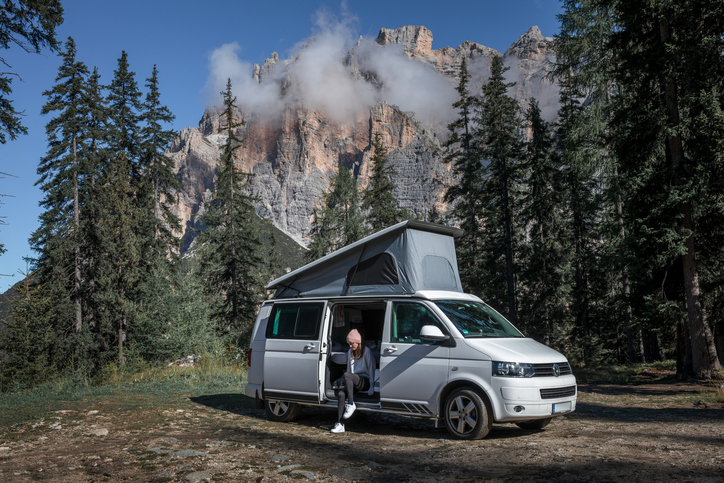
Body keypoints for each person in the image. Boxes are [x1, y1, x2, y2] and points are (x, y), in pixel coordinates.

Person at [330, 328, 375, 434]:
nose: (350, 346)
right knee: (341, 394)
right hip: (353, 380)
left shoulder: (367, 351)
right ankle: (340, 423)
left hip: (365, 381)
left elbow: (371, 370)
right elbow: (350, 371)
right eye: (349, 344)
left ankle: (351, 403)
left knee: (347, 375)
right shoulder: (350, 351)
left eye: (351, 343)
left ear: (357, 342)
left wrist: (372, 387)